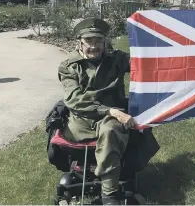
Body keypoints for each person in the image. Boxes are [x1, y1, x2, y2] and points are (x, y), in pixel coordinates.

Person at [58, 18, 137, 205]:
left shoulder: (116, 59)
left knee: (109, 132)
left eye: (98, 41)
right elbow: (74, 100)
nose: (94, 46)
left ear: (104, 41)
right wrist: (110, 111)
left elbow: (144, 66)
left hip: (111, 118)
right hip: (82, 119)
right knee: (109, 128)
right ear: (80, 42)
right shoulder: (68, 66)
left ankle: (108, 195)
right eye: (89, 41)